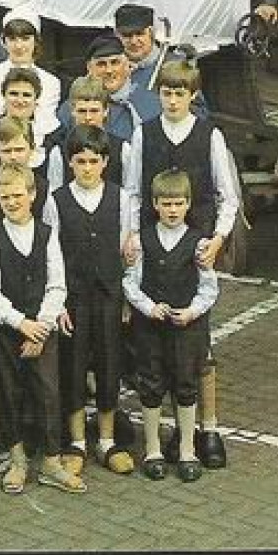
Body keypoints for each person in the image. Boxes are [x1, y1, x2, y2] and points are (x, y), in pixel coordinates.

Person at [125, 59, 241, 469]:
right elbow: (134, 193)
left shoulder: (210, 135)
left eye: (180, 93)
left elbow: (228, 195)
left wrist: (219, 239)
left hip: (196, 248)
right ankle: (167, 435)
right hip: (155, 250)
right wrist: (133, 236)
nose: (172, 100)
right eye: (166, 93)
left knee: (197, 345)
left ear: (192, 95)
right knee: (157, 345)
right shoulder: (144, 133)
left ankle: (204, 430)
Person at [0, 165, 85, 495]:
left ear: (33, 195)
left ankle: (52, 461)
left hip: (42, 330)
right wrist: (19, 323)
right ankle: (17, 460)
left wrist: (41, 327)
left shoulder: (48, 235)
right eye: (4, 197)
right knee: (8, 392)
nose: (11, 202)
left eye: (18, 195)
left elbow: (57, 285)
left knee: (48, 393)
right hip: (6, 331)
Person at [41, 125, 138, 477]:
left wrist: (126, 296)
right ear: (69, 163)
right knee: (74, 367)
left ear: (105, 162)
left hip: (110, 296)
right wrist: (58, 303)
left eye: (93, 161)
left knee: (110, 366)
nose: (86, 168)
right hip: (74, 300)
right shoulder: (57, 200)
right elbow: (52, 255)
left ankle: (107, 440)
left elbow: (128, 252)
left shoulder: (122, 198)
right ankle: (78, 442)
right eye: (80, 161)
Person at [123, 169, 220, 483]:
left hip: (186, 328)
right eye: (166, 204)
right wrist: (149, 307)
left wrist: (192, 311)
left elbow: (209, 288)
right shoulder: (142, 241)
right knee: (151, 384)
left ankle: (188, 450)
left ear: (188, 204)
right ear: (155, 204)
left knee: (186, 383)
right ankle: (153, 449)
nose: (172, 209)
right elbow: (130, 284)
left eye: (178, 203)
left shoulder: (198, 244)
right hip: (151, 328)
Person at [0, 8, 62, 142]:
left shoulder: (50, 82)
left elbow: (44, 123)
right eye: (12, 39)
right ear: (3, 41)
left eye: (25, 39)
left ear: (36, 41)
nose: (19, 46)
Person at [114, 3, 208, 120]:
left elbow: (200, 114)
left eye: (140, 34)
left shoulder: (175, 66)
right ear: (117, 36)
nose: (134, 41)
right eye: (127, 35)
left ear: (151, 33)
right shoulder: (108, 67)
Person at [0, 67, 55, 188]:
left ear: (36, 99)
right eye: (13, 94)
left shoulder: (50, 134)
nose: (19, 100)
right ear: (4, 96)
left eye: (26, 95)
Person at [45, 76, 131, 192]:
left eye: (94, 111)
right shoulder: (59, 152)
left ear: (106, 111)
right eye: (82, 111)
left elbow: (131, 192)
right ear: (72, 111)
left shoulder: (123, 149)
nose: (88, 117)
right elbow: (54, 193)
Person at [55, 35, 146, 143]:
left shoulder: (149, 103)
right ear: (89, 68)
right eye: (101, 64)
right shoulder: (69, 109)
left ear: (127, 65)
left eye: (115, 62)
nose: (109, 70)